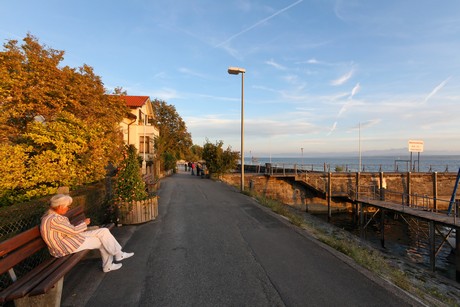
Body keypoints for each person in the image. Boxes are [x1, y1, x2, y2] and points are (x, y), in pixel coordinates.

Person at [40, 194, 134, 273]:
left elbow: (69, 230)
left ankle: (118, 254)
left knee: (103, 231)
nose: (68, 208)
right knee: (101, 241)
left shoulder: (51, 216)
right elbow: (72, 231)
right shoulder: (54, 219)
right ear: (60, 206)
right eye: (67, 206)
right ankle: (109, 265)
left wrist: (82, 224)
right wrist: (84, 223)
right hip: (64, 246)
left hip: (69, 238)